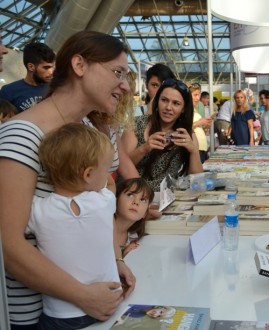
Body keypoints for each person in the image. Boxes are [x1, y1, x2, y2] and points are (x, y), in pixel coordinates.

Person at [0, 30, 135, 329]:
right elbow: (8, 245)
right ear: (79, 65)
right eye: (118, 73)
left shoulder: (91, 129)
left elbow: (98, 209)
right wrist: (84, 296)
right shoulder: (22, 134)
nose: (125, 85)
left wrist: (116, 261)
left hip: (94, 305)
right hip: (37, 314)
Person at [26, 123, 119, 329]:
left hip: (61, 315)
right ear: (88, 174)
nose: (107, 175)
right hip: (111, 301)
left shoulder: (38, 210)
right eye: (105, 169)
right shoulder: (103, 202)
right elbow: (111, 185)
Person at [123, 79, 203, 192]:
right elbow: (121, 165)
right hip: (134, 195)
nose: (168, 107)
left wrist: (193, 151)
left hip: (167, 199)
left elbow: (197, 179)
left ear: (183, 109)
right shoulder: (136, 124)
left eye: (176, 103)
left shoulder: (186, 133)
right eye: (164, 100)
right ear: (157, 102)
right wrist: (144, 148)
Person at [0, 42, 55, 112]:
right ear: (31, 67)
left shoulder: (55, 88)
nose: (51, 72)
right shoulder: (8, 92)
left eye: (52, 67)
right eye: (46, 68)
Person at [114, 178, 154, 258]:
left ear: (145, 213)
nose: (136, 202)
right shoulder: (103, 230)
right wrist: (121, 258)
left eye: (142, 200)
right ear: (115, 199)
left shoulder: (133, 237)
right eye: (130, 195)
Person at [190, 83, 211, 162]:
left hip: (202, 145)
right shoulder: (185, 108)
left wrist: (207, 125)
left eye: (199, 95)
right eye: (195, 95)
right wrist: (198, 123)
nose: (198, 98)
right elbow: (185, 128)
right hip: (194, 146)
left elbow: (202, 128)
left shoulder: (200, 105)